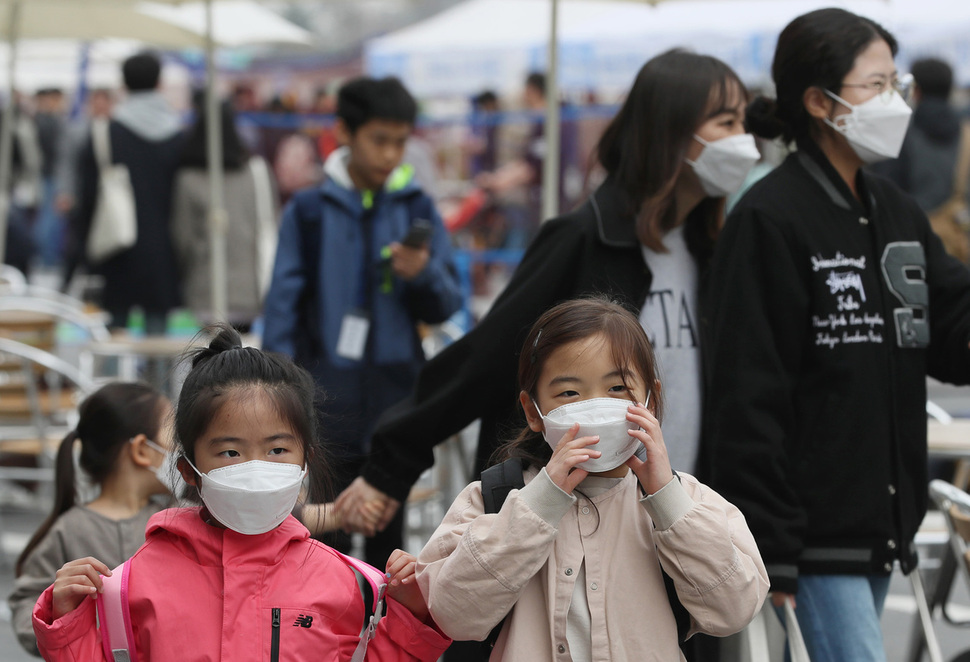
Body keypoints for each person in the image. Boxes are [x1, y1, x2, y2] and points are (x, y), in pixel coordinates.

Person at [703, 8, 970, 661]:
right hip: (811, 533)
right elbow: (748, 393)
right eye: (875, 86)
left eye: (896, 84)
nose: (895, 102)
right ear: (819, 102)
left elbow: (950, 335)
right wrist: (773, 541)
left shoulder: (894, 210)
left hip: (882, 523)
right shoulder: (769, 217)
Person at [30, 325, 451, 661]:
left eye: (277, 449)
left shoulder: (350, 585)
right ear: (188, 470)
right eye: (230, 451)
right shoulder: (132, 584)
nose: (256, 467)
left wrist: (409, 616)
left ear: (306, 460)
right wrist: (68, 624)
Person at [416, 297, 768, 661]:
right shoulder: (492, 499)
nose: (596, 406)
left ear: (651, 401)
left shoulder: (689, 501)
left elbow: (734, 609)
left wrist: (668, 502)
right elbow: (451, 614)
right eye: (569, 393)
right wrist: (539, 505)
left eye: (617, 388)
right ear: (532, 412)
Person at [262, 76, 463, 568]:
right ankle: (329, 636)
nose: (391, 154)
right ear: (344, 132)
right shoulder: (309, 211)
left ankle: (380, 638)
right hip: (324, 400)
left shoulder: (416, 206)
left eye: (400, 141)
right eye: (380, 139)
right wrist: (273, 392)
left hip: (396, 403)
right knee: (322, 538)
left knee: (386, 539)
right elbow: (282, 307)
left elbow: (446, 303)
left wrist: (422, 276)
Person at [9, 382, 173, 657]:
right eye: (176, 438)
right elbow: (27, 603)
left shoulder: (176, 521)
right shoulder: (69, 530)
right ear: (142, 450)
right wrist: (59, 614)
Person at [66, 51, 183, 333]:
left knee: (113, 334)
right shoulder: (179, 136)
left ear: (124, 85)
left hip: (114, 248)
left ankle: (111, 380)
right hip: (164, 251)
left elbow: (87, 199)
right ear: (159, 83)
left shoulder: (105, 134)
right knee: (158, 335)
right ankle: (159, 379)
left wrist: (83, 251)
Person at [171, 96, 279, 330]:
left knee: (211, 360)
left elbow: (183, 238)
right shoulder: (257, 172)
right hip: (251, 288)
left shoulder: (187, 179)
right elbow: (272, 221)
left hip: (205, 288)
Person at [870, 57, 970, 262]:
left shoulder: (898, 134)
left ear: (916, 91)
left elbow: (885, 192)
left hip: (909, 243)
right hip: (958, 243)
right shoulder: (965, 133)